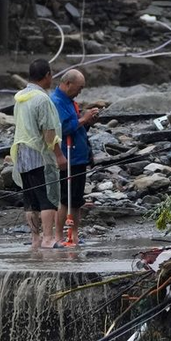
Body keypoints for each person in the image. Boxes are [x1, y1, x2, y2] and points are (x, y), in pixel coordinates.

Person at [10, 58, 67, 249]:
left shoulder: (20, 97)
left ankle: (35, 239)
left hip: (22, 155)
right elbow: (49, 132)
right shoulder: (42, 99)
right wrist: (59, 155)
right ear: (47, 76)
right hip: (39, 155)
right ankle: (48, 238)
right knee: (48, 199)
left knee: (30, 201)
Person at [51, 68, 100, 240]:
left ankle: (75, 234)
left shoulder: (70, 101)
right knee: (66, 198)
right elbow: (62, 128)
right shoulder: (56, 101)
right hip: (67, 156)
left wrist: (87, 122)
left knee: (77, 199)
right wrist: (83, 119)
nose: (80, 92)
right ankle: (58, 236)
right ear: (68, 84)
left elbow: (76, 126)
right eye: (79, 88)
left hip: (79, 156)